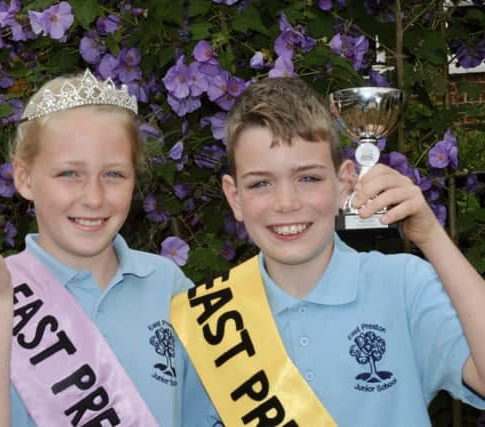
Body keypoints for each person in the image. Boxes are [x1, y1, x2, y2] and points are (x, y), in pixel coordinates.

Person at [171, 77, 485, 426]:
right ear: (234, 197)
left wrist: (431, 237)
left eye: (308, 178)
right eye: (261, 183)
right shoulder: (209, 323)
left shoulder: (402, 284)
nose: (287, 203)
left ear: (344, 183)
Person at [0, 69, 205, 427]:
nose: (93, 197)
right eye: (69, 174)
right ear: (24, 178)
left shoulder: (168, 285)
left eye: (114, 175)